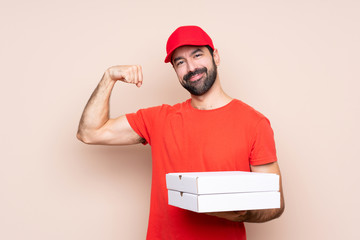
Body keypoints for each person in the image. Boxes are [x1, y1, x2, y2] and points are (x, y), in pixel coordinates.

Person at [77, 25, 285, 240]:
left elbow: (274, 204)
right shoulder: (158, 119)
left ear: (216, 56)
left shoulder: (254, 123)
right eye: (180, 62)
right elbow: (90, 132)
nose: (191, 67)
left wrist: (236, 213)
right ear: (176, 71)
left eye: (197, 55)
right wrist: (109, 77)